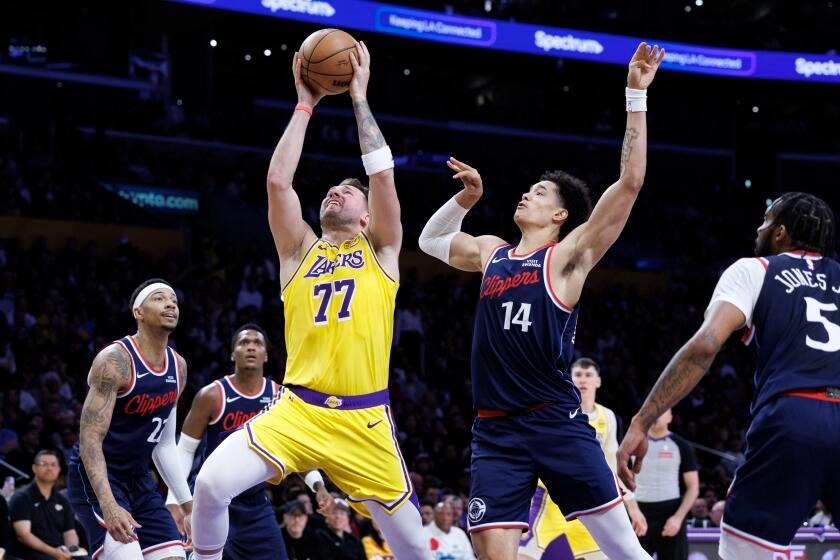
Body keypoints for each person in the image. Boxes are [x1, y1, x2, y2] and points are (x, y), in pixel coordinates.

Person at [419, 43, 664, 560]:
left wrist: (634, 96)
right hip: (495, 429)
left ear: (560, 216)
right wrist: (464, 200)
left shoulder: (569, 257)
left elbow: (631, 183)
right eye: (527, 189)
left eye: (540, 192)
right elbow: (430, 241)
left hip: (555, 420)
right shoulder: (491, 252)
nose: (526, 195)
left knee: (624, 551)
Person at [189, 43, 430, 560]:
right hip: (296, 410)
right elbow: (278, 182)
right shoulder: (299, 251)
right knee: (209, 485)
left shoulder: (382, 250)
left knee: (415, 550)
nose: (335, 193)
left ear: (367, 217)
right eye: (331, 190)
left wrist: (359, 97)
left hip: (364, 421)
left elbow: (382, 175)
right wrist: (306, 103)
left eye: (348, 193)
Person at [617, 193, 838, 559]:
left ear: (781, 233)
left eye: (766, 220)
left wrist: (644, 419)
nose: (759, 227)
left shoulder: (756, 269)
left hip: (794, 413)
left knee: (743, 552)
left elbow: (705, 346)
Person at [165, 324, 328, 559]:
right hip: (213, 500)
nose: (251, 346)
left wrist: (317, 485)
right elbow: (185, 451)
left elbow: (296, 450)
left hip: (256, 503)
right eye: (243, 343)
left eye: (257, 343)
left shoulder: (280, 397)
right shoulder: (212, 395)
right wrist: (177, 499)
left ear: (266, 355)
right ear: (233, 354)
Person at [66, 278, 192, 559]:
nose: (171, 303)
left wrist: (188, 507)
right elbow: (89, 439)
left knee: (175, 557)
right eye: (159, 298)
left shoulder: (178, 367)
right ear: (138, 312)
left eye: (174, 299)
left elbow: (164, 445)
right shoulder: (114, 361)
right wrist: (109, 504)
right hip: (97, 476)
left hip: (138, 477)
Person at [518, 358, 645, 560]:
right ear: (569, 379)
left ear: (598, 381)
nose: (582, 380)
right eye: (577, 375)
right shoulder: (554, 411)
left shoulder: (607, 417)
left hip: (589, 500)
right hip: (548, 502)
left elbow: (612, 465)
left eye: (588, 375)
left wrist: (633, 508)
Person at [632, 410, 699, 560]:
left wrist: (678, 517)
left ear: (670, 417)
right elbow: (621, 482)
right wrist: (633, 511)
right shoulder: (632, 444)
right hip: (639, 515)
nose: (656, 416)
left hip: (671, 514)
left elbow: (693, 488)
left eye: (661, 412)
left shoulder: (682, 446)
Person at [8, 450, 88, 560]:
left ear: (59, 469)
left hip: (60, 551)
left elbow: (69, 532)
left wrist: (72, 550)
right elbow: (23, 535)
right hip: (31, 554)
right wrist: (54, 552)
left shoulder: (62, 500)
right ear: (34, 468)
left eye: (53, 465)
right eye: (44, 464)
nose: (49, 468)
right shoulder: (21, 497)